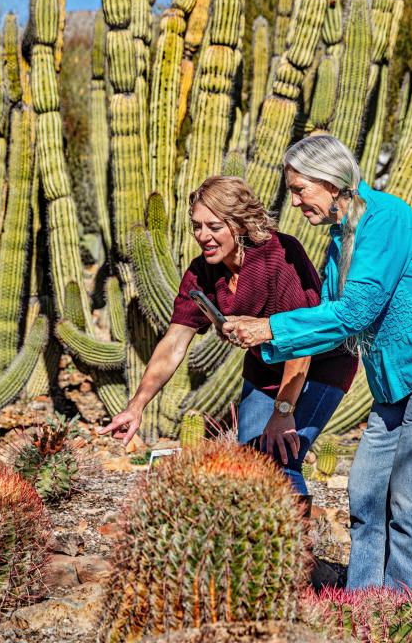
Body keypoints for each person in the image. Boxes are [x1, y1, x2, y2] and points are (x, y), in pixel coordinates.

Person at [221, 135, 412, 591]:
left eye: (300, 189)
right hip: (396, 386)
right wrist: (261, 342)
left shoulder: (384, 219)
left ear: (332, 182)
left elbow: (356, 312)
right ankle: (365, 608)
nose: (294, 202)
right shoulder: (339, 242)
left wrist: (269, 327)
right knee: (366, 490)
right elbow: (332, 329)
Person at [98, 176, 357, 505]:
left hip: (319, 365)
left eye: (214, 226)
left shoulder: (279, 255)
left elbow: (301, 342)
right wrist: (136, 407)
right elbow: (174, 342)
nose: (202, 236)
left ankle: (296, 551)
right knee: (248, 464)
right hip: (265, 370)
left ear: (240, 224)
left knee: (281, 460)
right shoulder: (201, 272)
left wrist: (283, 412)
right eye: (196, 226)